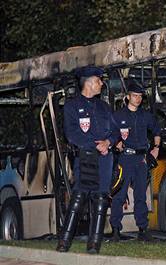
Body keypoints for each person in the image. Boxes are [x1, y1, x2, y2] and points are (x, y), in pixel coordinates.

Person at [57, 66, 118, 254]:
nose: (101, 83)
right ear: (89, 82)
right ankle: (64, 242)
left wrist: (108, 142)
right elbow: (72, 134)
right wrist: (95, 145)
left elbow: (116, 131)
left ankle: (94, 245)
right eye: (99, 80)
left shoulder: (105, 107)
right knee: (78, 198)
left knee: (101, 199)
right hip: (84, 158)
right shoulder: (71, 106)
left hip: (105, 159)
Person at [110, 78, 161, 242]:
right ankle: (116, 230)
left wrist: (156, 148)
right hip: (124, 159)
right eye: (134, 95)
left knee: (141, 196)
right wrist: (115, 142)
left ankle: (143, 229)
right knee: (119, 196)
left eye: (140, 96)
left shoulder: (145, 116)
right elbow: (109, 134)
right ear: (127, 97)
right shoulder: (118, 116)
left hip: (141, 159)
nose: (138, 99)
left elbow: (157, 131)